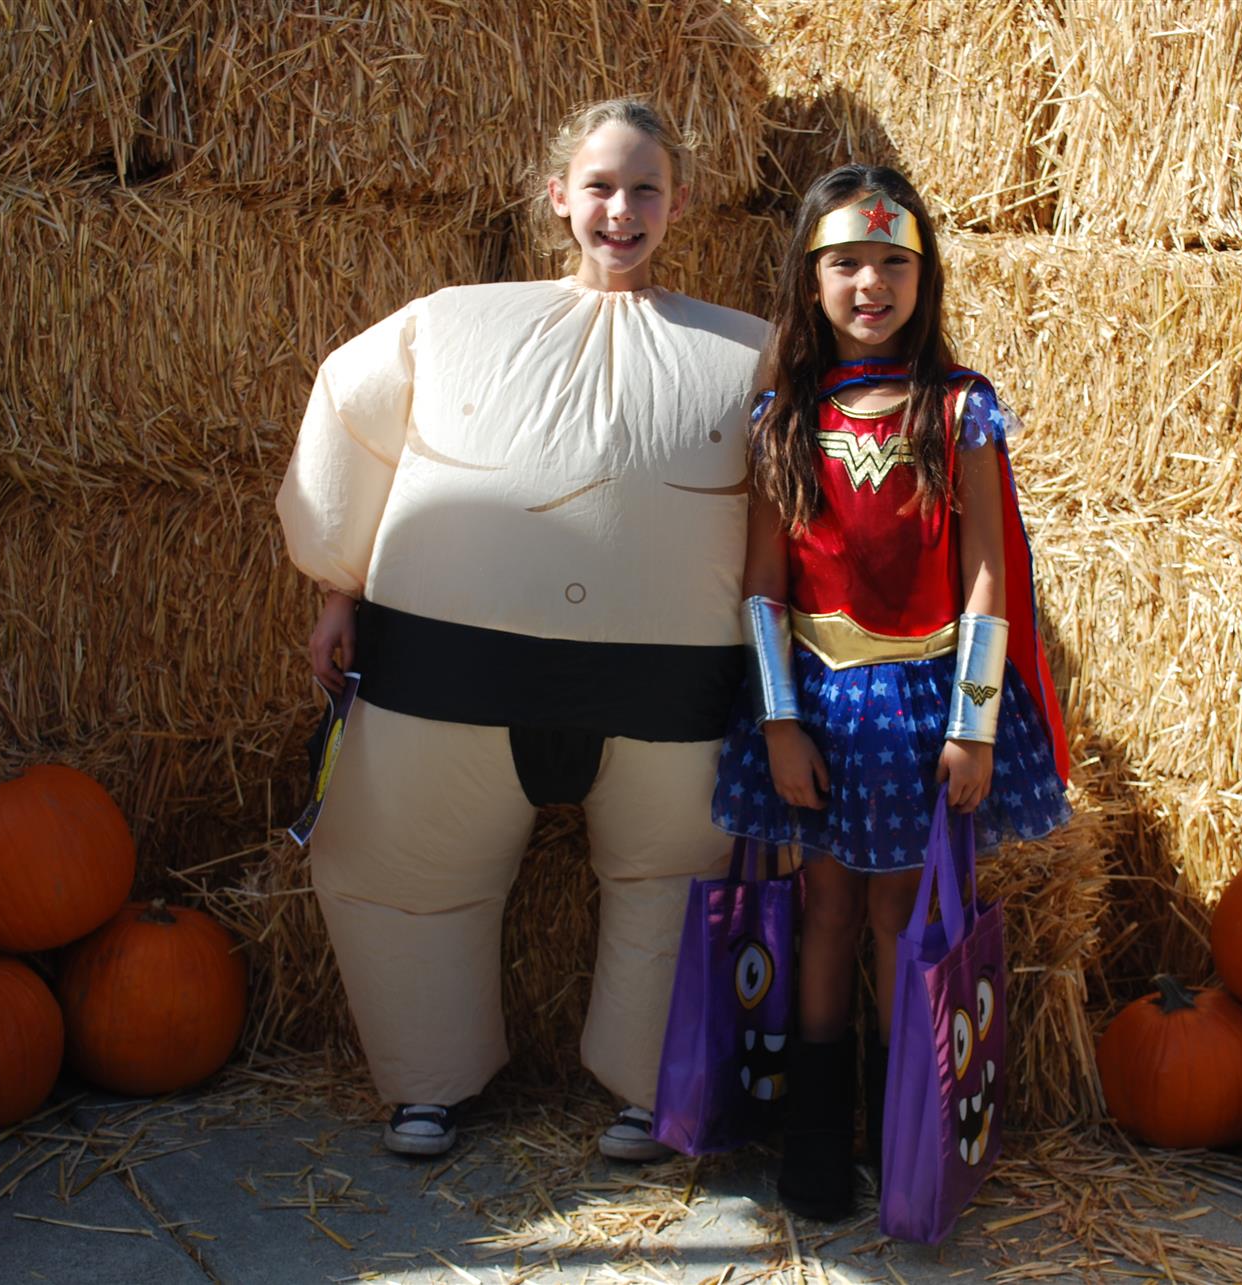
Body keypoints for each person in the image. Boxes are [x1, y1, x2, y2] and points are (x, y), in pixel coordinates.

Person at [276, 99, 769, 1161]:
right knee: (405, 869)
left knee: (679, 881)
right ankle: (426, 1079)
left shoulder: (745, 356)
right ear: (558, 196)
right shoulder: (450, 322)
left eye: (645, 189)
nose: (621, 210)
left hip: (670, 705)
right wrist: (336, 584)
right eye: (599, 186)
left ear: (678, 203)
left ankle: (651, 1085)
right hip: (445, 685)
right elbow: (349, 415)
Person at [712, 165, 1071, 1219]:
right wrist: (779, 721)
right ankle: (817, 1138)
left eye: (893, 262)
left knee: (897, 912)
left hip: (921, 711)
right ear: (810, 277)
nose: (871, 282)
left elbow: (987, 576)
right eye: (847, 263)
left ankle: (903, 1125)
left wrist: (975, 725)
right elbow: (764, 587)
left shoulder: (960, 408)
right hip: (818, 705)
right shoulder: (784, 415)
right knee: (822, 902)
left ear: (925, 274)